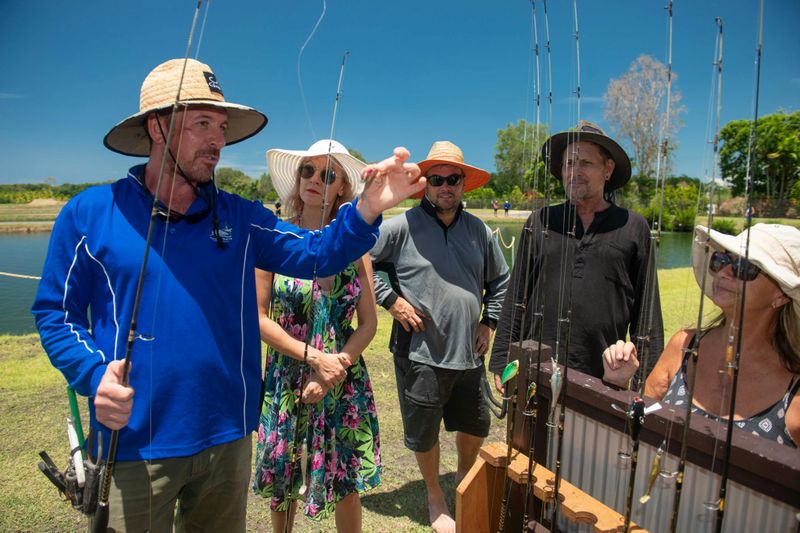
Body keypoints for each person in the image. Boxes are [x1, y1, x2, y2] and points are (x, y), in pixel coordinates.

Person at [31, 58, 423, 532]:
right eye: (201, 124)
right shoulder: (90, 213)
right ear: (157, 127)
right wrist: (94, 377)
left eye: (221, 126)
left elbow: (317, 254)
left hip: (228, 439)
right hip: (133, 444)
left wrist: (365, 209)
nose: (217, 140)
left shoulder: (241, 217)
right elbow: (56, 314)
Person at [370, 141, 509, 533]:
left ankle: (465, 484)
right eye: (437, 179)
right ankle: (435, 495)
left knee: (475, 425)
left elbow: (500, 280)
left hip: (469, 352)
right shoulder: (400, 225)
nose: (445, 186)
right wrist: (392, 301)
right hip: (420, 352)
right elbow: (368, 264)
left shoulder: (480, 230)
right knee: (424, 430)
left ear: (464, 184)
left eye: (453, 179)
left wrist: (489, 322)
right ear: (425, 185)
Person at [252, 140, 381, 532]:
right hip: (287, 376)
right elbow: (258, 317)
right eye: (307, 170)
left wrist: (333, 368)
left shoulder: (356, 248)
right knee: (282, 475)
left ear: (342, 186)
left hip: (342, 376)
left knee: (346, 477)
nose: (314, 180)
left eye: (328, 175)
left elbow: (369, 323)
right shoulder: (274, 239)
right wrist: (313, 359)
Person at [489, 120, 664, 389]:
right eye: (569, 163)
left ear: (608, 169)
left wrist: (646, 379)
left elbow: (647, 312)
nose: (574, 171)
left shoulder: (633, 226)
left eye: (585, 163)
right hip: (535, 371)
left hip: (605, 375)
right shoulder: (540, 221)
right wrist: (502, 358)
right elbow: (516, 295)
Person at [604, 224, 800, 447]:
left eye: (744, 267)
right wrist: (618, 382)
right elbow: (636, 427)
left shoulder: (794, 390)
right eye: (721, 260)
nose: (725, 271)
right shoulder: (683, 346)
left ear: (782, 295)